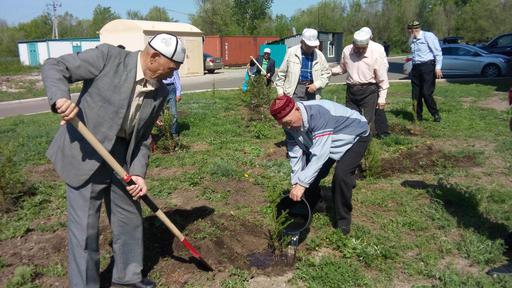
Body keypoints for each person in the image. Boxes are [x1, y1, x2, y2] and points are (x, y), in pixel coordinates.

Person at [41, 33, 186, 288]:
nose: (171, 76)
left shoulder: (160, 91)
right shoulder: (108, 57)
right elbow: (56, 66)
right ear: (154, 57)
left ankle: (127, 277)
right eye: (170, 69)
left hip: (122, 157)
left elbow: (142, 137)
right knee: (85, 231)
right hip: (85, 150)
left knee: (129, 218)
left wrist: (139, 172)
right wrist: (60, 98)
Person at [270, 95, 370, 235]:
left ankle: (343, 221)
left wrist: (302, 184)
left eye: (289, 122)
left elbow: (320, 155)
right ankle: (315, 204)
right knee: (311, 175)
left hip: (355, 136)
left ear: (297, 109)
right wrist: (296, 182)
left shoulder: (318, 115)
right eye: (283, 125)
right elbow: (295, 154)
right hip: (329, 141)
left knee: (342, 176)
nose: (288, 127)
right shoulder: (289, 124)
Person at [331, 28, 389, 131]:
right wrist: (329, 71)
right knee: (351, 119)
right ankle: (353, 141)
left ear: (368, 45)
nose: (360, 51)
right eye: (358, 48)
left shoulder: (375, 54)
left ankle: (366, 142)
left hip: (369, 90)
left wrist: (382, 99)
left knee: (366, 121)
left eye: (363, 48)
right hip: (351, 91)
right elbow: (342, 68)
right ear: (353, 44)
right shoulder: (347, 51)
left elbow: (382, 79)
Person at [275, 28, 331, 101]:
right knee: (296, 111)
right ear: (302, 42)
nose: (310, 48)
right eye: (308, 45)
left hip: (312, 91)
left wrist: (316, 85)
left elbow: (327, 74)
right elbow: (281, 73)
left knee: (311, 112)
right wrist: (280, 92)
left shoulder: (319, 56)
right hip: (294, 90)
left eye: (312, 46)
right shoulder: (291, 52)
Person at [407, 20, 443, 122]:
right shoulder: (412, 39)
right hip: (416, 68)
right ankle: (418, 116)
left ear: (414, 30)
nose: (409, 32)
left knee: (426, 93)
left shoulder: (428, 36)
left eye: (410, 30)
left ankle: (435, 114)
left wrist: (438, 67)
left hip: (428, 67)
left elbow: (438, 52)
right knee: (416, 94)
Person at [359, 26, 391, 138]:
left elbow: (383, 64)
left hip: (372, 79)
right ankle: (382, 131)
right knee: (377, 105)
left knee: (375, 106)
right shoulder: (378, 47)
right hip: (375, 78)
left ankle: (377, 131)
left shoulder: (377, 48)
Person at [162, 70, 182, 139]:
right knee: (162, 113)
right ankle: (165, 132)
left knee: (173, 113)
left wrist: (178, 93)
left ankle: (174, 133)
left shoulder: (172, 66)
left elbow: (177, 79)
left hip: (171, 88)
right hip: (160, 87)